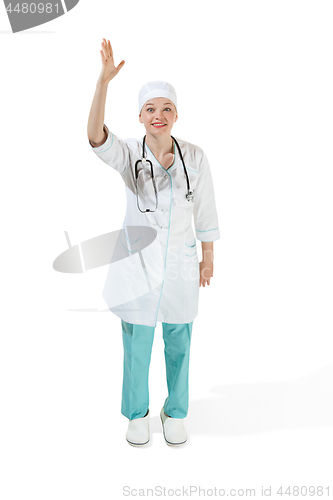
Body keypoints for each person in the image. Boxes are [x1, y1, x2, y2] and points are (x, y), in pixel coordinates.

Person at [87, 39, 220, 447]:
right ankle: (138, 414)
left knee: (179, 340)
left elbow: (206, 210)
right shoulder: (128, 153)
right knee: (137, 343)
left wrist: (208, 256)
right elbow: (94, 136)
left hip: (181, 264)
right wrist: (103, 82)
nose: (158, 115)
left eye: (166, 109)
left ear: (176, 115)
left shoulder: (194, 157)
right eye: (150, 109)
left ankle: (175, 412)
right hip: (137, 268)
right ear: (141, 117)